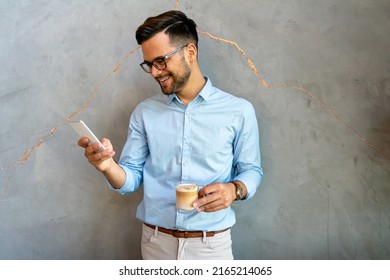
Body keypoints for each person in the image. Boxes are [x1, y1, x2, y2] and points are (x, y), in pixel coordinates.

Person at [78, 10, 263, 260]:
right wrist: (106, 165)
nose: (154, 72)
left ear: (190, 52)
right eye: (149, 64)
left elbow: (251, 170)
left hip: (212, 247)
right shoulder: (144, 113)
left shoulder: (239, 111)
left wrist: (234, 190)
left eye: (161, 61)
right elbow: (130, 178)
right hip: (156, 244)